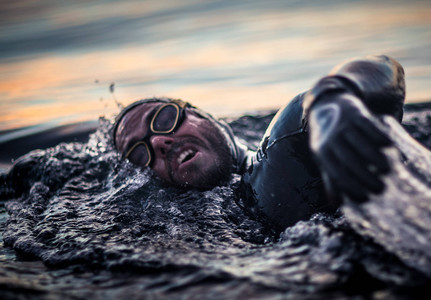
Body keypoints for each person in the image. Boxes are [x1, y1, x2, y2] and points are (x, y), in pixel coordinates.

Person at [113, 54, 405, 230]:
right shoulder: (171, 228)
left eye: (164, 119)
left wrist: (338, 110)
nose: (160, 142)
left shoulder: (285, 147)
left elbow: (378, 71)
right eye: (140, 153)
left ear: (204, 115)